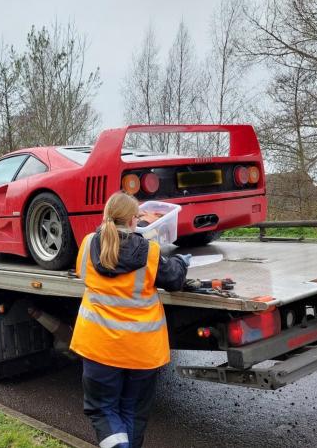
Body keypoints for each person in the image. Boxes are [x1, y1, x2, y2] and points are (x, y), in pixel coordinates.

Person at [70, 192, 190, 448]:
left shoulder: (90, 243)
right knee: (133, 413)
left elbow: (82, 273)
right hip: (142, 351)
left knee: (103, 410)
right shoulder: (151, 252)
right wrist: (181, 261)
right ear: (134, 220)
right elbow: (175, 281)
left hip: (98, 348)